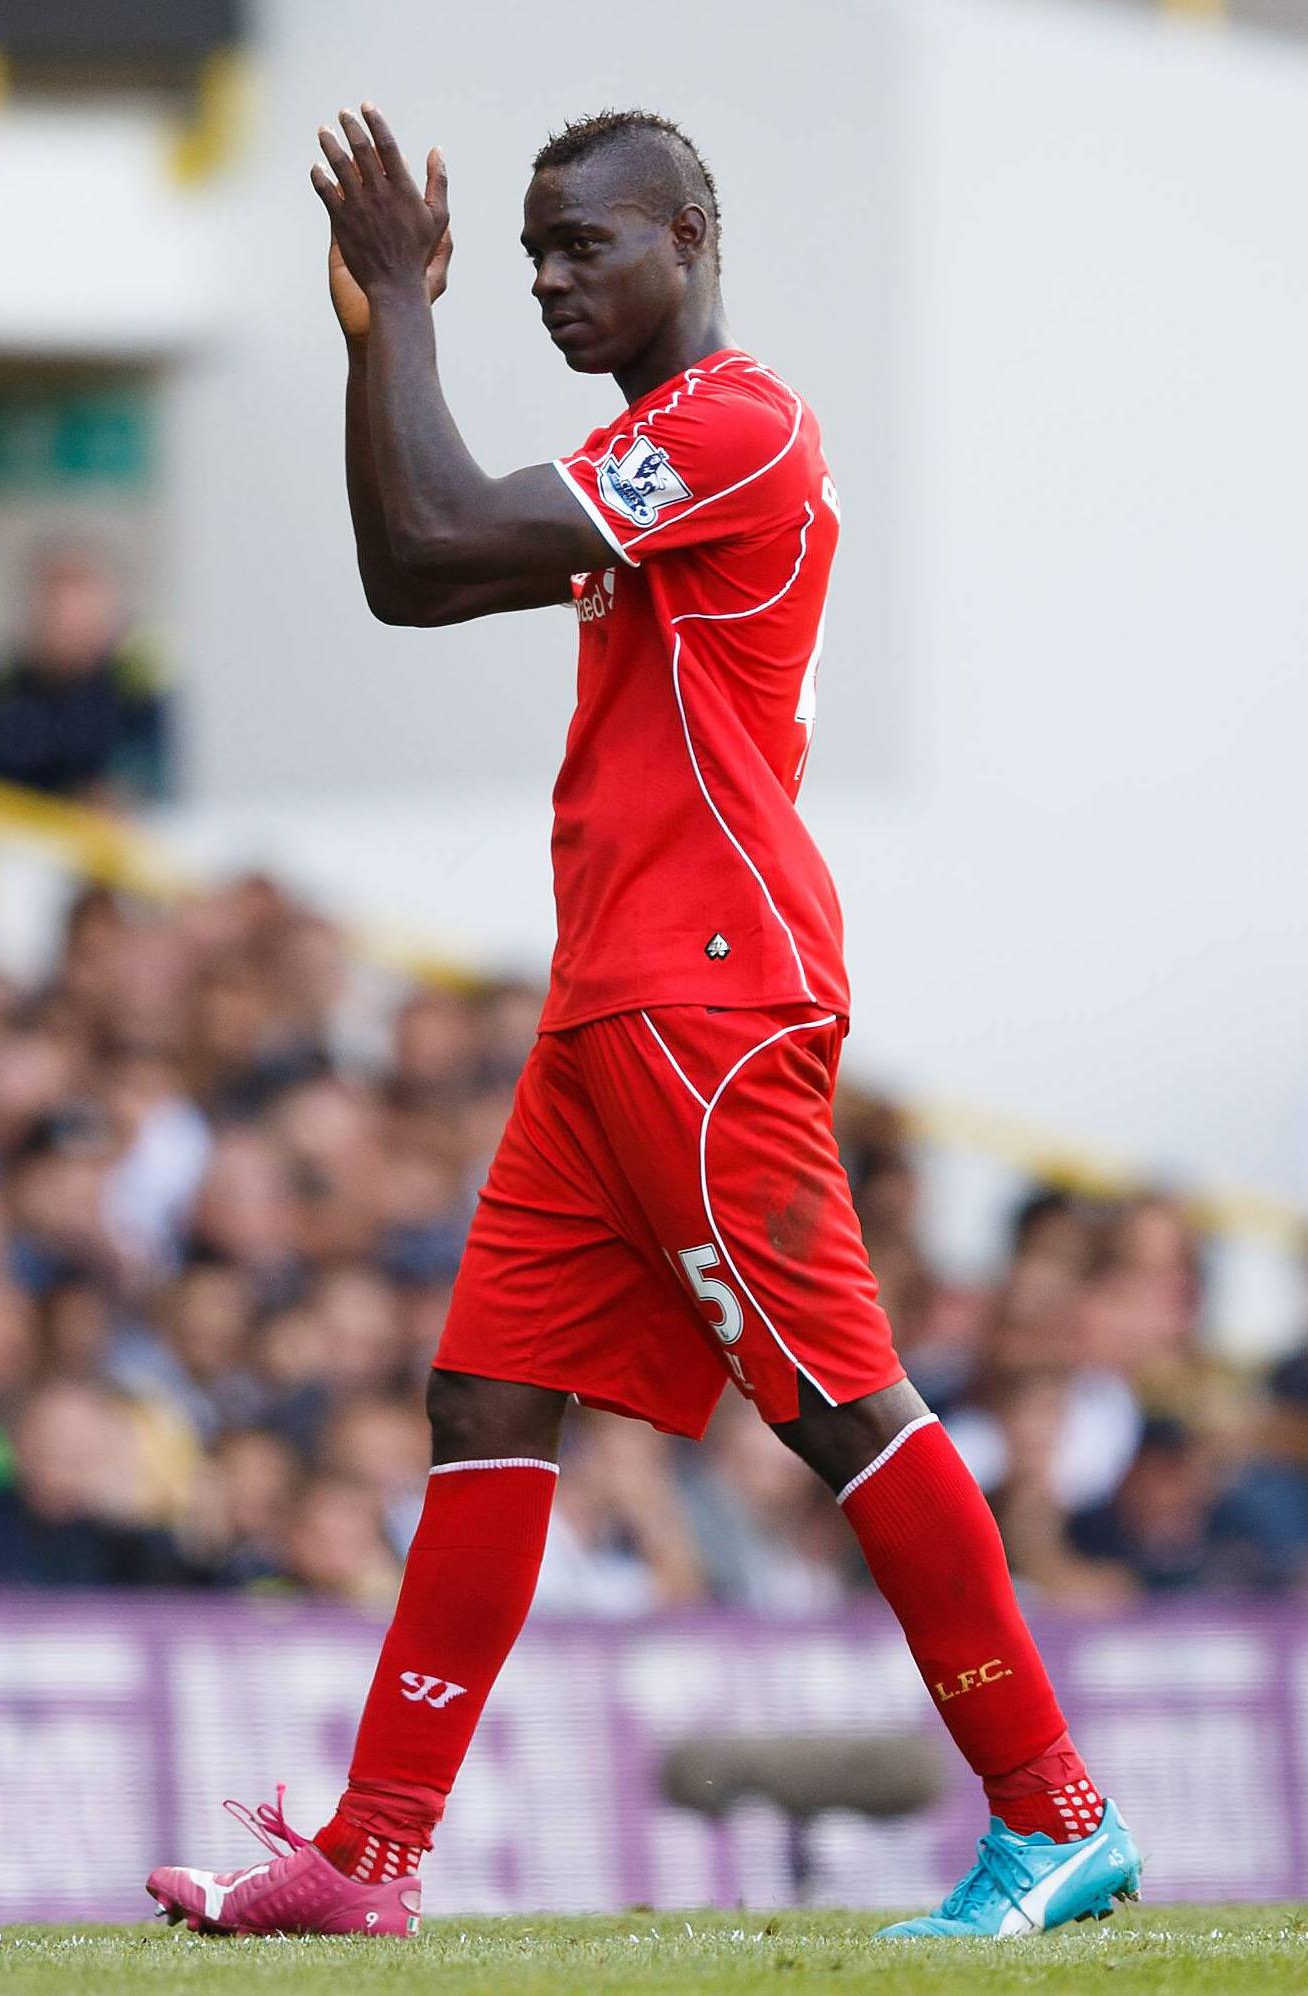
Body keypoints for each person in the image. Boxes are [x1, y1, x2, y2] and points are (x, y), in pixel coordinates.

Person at [146, 104, 1140, 1942]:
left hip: (708, 993)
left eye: (579, 246)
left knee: (840, 1407)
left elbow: (440, 520)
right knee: (486, 1396)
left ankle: (1056, 1811)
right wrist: (387, 334)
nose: (544, 282)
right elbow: (409, 571)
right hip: (611, 997)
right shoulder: (644, 454)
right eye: (525, 257)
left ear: (685, 233)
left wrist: (397, 303)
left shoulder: (736, 428)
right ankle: (368, 1859)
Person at [0, 543, 170, 804]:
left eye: (81, 592)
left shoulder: (135, 690)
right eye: (54, 592)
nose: (66, 609)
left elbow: (147, 782)